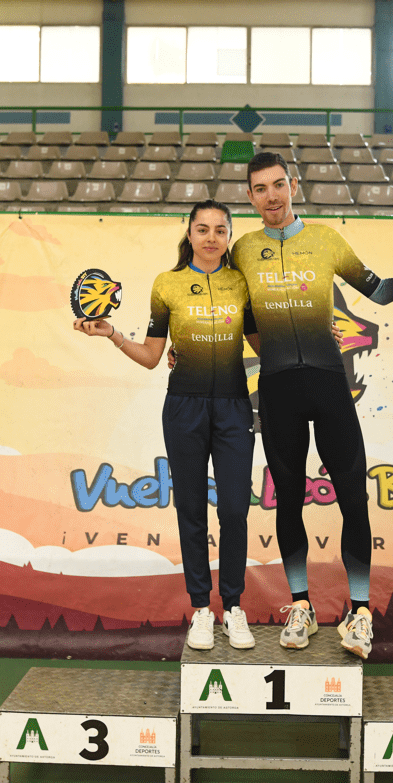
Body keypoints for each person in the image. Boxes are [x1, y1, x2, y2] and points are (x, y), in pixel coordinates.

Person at [231, 150, 393, 659]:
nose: (271, 196)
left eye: (278, 185)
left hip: (329, 385)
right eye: (260, 189)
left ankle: (361, 614)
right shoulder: (242, 251)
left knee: (352, 498)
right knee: (288, 500)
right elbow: (234, 314)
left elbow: (381, 292)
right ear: (250, 197)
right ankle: (300, 607)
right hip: (277, 390)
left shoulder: (326, 240)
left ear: (293, 186)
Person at [73, 200, 259, 651]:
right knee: (191, 511)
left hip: (235, 408)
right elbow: (153, 356)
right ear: (189, 234)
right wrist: (112, 334)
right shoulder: (167, 285)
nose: (211, 237)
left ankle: (233, 607)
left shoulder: (242, 283)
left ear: (229, 236)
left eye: (220, 230)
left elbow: (264, 344)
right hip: (184, 410)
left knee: (235, 510)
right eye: (202, 229)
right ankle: (201, 610)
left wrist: (315, 334)